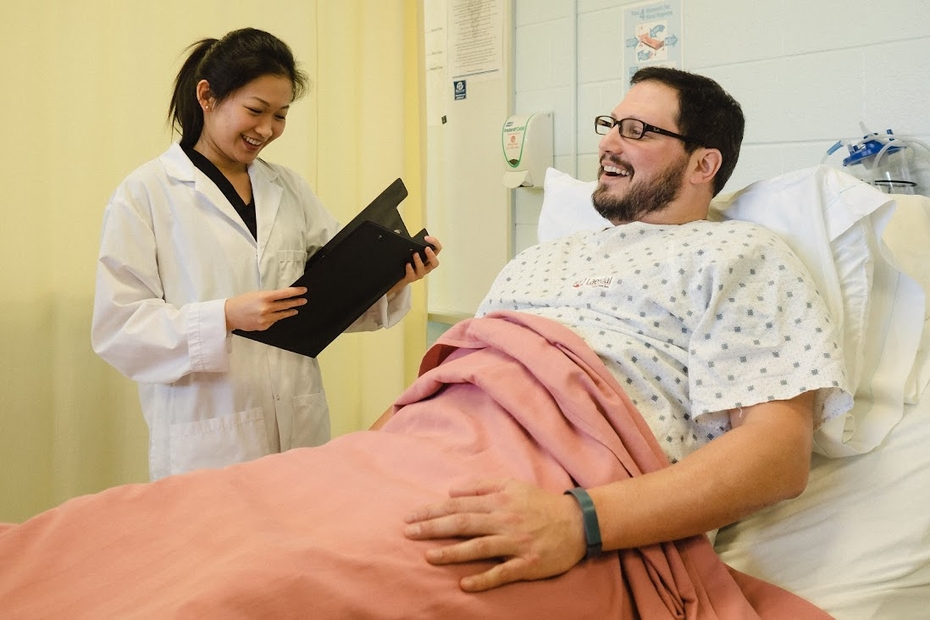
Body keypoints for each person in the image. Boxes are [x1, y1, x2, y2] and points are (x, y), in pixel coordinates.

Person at [399, 67, 850, 592]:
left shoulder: (740, 255)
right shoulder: (538, 260)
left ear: (704, 163)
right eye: (611, 125)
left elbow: (777, 457)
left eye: (636, 131)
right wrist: (369, 450)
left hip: (549, 488)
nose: (608, 144)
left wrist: (579, 521)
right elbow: (455, 378)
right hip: (421, 452)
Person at [91, 28, 441, 481]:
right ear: (207, 96)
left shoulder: (288, 188)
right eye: (255, 111)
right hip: (208, 438)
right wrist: (225, 317)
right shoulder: (145, 195)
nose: (267, 130)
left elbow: (328, 293)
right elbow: (119, 330)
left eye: (280, 115)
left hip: (298, 423)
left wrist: (391, 277)